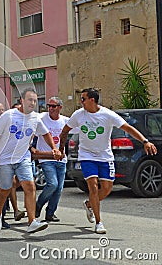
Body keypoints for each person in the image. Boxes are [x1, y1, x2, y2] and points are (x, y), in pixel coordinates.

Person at [58, 88, 157, 234]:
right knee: (92, 186)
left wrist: (145, 141)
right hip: (87, 156)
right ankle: (99, 222)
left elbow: (128, 128)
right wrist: (61, 149)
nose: (81, 102)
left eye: (83, 99)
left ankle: (89, 204)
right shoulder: (78, 115)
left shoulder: (108, 115)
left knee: (106, 189)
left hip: (105, 157)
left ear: (92, 100)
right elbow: (65, 131)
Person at [0, 88, 61, 234]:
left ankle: (32, 221)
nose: (33, 103)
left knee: (30, 186)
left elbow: (46, 133)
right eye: (30, 100)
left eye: (35, 100)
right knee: (5, 189)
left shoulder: (35, 118)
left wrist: (54, 148)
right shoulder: (9, 116)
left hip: (23, 158)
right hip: (5, 159)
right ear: (22, 100)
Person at [33, 97, 72, 222]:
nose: (50, 108)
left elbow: (79, 129)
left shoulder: (65, 120)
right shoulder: (42, 118)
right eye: (49, 105)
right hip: (46, 157)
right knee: (52, 184)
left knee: (59, 188)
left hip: (61, 158)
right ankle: (38, 205)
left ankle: (50, 212)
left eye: (53, 106)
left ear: (60, 107)